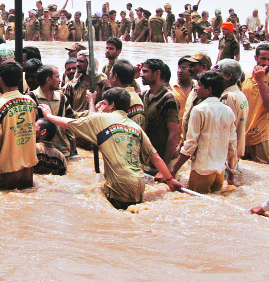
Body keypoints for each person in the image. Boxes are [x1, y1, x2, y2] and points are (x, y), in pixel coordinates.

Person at [41, 87, 184, 210]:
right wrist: (170, 180)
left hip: (118, 186)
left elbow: (69, 123)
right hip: (139, 186)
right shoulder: (136, 127)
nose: (101, 106)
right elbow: (155, 157)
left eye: (104, 103)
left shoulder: (101, 119)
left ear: (112, 105)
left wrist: (49, 115)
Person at [170, 72, 236, 194]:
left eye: (199, 85)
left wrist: (173, 171)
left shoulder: (199, 110)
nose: (195, 88)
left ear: (209, 89)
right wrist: (231, 173)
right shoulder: (228, 111)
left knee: (195, 201)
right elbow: (232, 144)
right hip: (219, 171)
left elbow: (190, 144)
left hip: (202, 171)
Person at [0, 61, 37, 191]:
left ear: (0, 80)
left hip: (5, 172)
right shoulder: (31, 103)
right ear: (20, 80)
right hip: (28, 172)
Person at [241, 44, 269, 164]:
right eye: (263, 59)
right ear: (256, 58)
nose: (267, 63)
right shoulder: (244, 75)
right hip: (242, 134)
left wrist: (260, 82)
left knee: (265, 167)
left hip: (261, 136)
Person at [140, 58, 180, 174]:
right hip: (149, 159)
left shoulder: (168, 99)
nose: (141, 75)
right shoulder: (144, 95)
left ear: (157, 73)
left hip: (163, 160)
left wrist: (164, 168)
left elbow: (173, 134)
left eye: (145, 71)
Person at [28, 64, 75, 157]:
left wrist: (73, 149)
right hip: (40, 152)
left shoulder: (62, 98)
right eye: (57, 77)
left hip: (63, 151)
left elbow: (70, 123)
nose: (60, 80)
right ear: (49, 80)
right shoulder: (31, 99)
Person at [214, 59, 248, 185]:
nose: (214, 73)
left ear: (227, 76)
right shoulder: (239, 94)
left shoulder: (227, 97)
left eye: (217, 71)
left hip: (226, 158)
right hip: (234, 155)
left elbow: (226, 131)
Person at [109, 59, 145, 127]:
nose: (109, 77)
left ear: (115, 77)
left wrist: (91, 101)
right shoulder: (136, 96)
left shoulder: (119, 99)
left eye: (110, 74)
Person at [172, 55, 195, 122]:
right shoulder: (170, 87)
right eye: (179, 68)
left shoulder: (198, 88)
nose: (180, 71)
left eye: (184, 68)